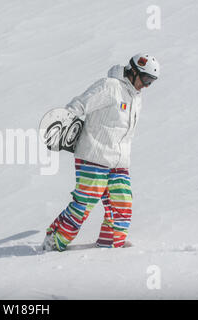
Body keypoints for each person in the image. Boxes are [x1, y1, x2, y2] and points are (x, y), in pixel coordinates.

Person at [43, 54, 160, 251]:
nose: (147, 86)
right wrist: (63, 126)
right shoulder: (109, 86)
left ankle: (110, 244)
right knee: (85, 202)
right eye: (146, 80)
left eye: (152, 82)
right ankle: (54, 240)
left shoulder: (136, 98)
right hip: (93, 156)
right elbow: (79, 104)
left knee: (123, 203)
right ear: (133, 72)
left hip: (119, 161)